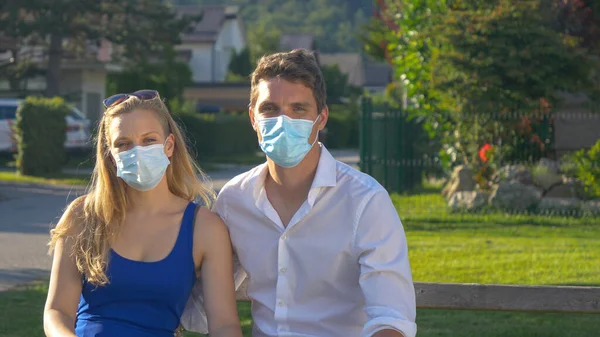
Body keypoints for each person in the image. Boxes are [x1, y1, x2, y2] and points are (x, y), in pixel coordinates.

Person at [184, 49, 417, 337]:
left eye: (299, 109)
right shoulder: (234, 200)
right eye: (270, 109)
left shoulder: (365, 201)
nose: (283, 120)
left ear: (321, 118)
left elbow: (392, 318)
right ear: (253, 119)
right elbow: (203, 312)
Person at [43, 90, 243, 337]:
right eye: (123, 144)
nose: (136, 151)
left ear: (169, 146)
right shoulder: (83, 216)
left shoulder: (204, 228)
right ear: (111, 155)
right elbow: (57, 312)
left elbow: (224, 325)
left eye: (149, 140)